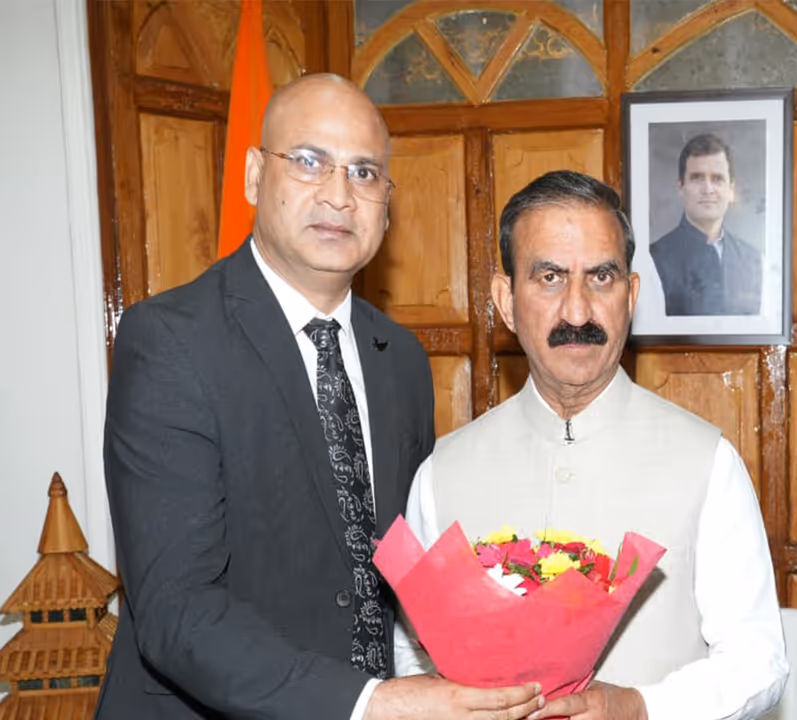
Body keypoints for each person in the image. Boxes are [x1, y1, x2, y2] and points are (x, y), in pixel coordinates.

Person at [97, 73, 543, 720]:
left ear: (386, 205)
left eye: (364, 173)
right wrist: (368, 704)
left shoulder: (402, 360)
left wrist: (512, 631)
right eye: (309, 162)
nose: (339, 195)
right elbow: (178, 610)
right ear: (255, 177)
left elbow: (396, 564)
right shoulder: (171, 342)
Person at [395, 170, 788, 719]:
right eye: (550, 277)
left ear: (632, 295)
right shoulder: (442, 472)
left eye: (601, 277)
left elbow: (757, 660)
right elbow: (412, 656)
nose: (577, 312)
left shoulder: (708, 463)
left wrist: (642, 708)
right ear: (506, 301)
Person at [651, 133, 762, 316]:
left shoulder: (754, 260)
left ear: (731, 190)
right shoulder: (654, 259)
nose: (708, 189)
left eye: (717, 179)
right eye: (697, 178)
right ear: (681, 187)